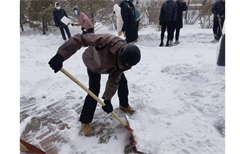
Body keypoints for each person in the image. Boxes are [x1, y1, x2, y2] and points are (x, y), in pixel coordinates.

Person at [48, 33, 141, 136]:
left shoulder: (126, 62)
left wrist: (107, 99)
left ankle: (123, 105)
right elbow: (80, 39)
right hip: (94, 63)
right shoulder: (107, 41)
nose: (128, 67)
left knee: (122, 82)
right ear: (121, 55)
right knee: (94, 90)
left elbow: (114, 80)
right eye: (127, 64)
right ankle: (85, 120)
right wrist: (61, 56)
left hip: (112, 67)